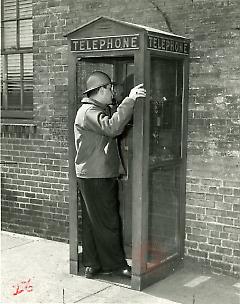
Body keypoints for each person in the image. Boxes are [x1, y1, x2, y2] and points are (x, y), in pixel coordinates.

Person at [74, 70, 146, 279]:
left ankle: (93, 263)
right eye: (110, 88)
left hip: (92, 174)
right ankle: (114, 265)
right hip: (97, 175)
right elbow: (113, 127)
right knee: (109, 221)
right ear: (101, 90)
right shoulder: (89, 112)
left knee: (93, 221)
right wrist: (130, 100)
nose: (113, 92)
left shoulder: (92, 109)